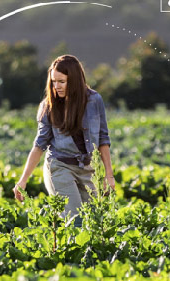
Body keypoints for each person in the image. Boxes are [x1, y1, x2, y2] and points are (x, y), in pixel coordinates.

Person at [13, 54, 115, 226]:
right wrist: (23, 180)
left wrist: (109, 175)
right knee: (75, 221)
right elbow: (39, 145)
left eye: (61, 81)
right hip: (59, 166)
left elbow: (103, 138)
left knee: (94, 222)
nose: (56, 86)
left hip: (87, 168)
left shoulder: (94, 100)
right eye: (53, 81)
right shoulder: (48, 106)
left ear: (74, 80)